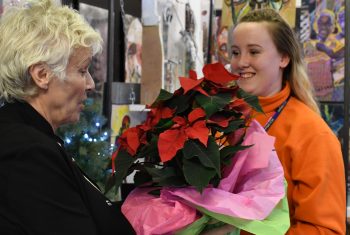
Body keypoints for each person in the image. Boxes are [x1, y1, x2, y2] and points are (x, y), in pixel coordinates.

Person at [0, 0, 133, 234]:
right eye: (82, 70)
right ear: (42, 75)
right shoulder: (27, 151)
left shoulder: (30, 135)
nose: (91, 84)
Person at [229, 8, 346, 234]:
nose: (241, 62)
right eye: (235, 52)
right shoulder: (222, 119)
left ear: (284, 58)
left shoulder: (313, 134)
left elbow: (324, 230)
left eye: (254, 52)